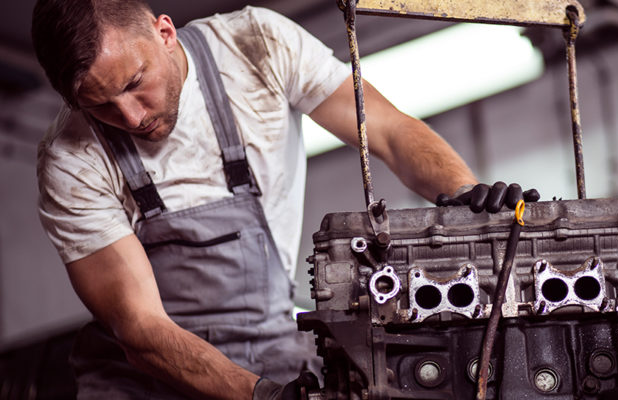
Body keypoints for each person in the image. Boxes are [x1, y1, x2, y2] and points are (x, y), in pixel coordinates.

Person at [31, 0, 535, 398]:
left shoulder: (256, 45)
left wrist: (463, 192)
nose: (131, 116)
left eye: (135, 84)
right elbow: (141, 330)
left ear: (165, 33)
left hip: (273, 348)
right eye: (99, 105)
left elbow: (385, 130)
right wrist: (263, 397)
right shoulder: (70, 159)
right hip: (142, 379)